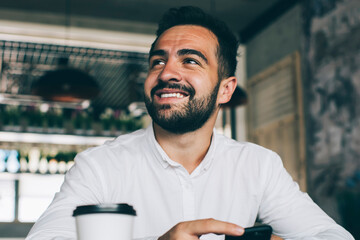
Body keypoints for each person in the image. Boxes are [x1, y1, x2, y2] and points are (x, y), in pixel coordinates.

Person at [26, 6, 354, 240]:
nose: (167, 73)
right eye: (158, 61)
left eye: (190, 60)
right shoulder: (99, 166)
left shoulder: (258, 166)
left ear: (226, 89)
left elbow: (331, 236)